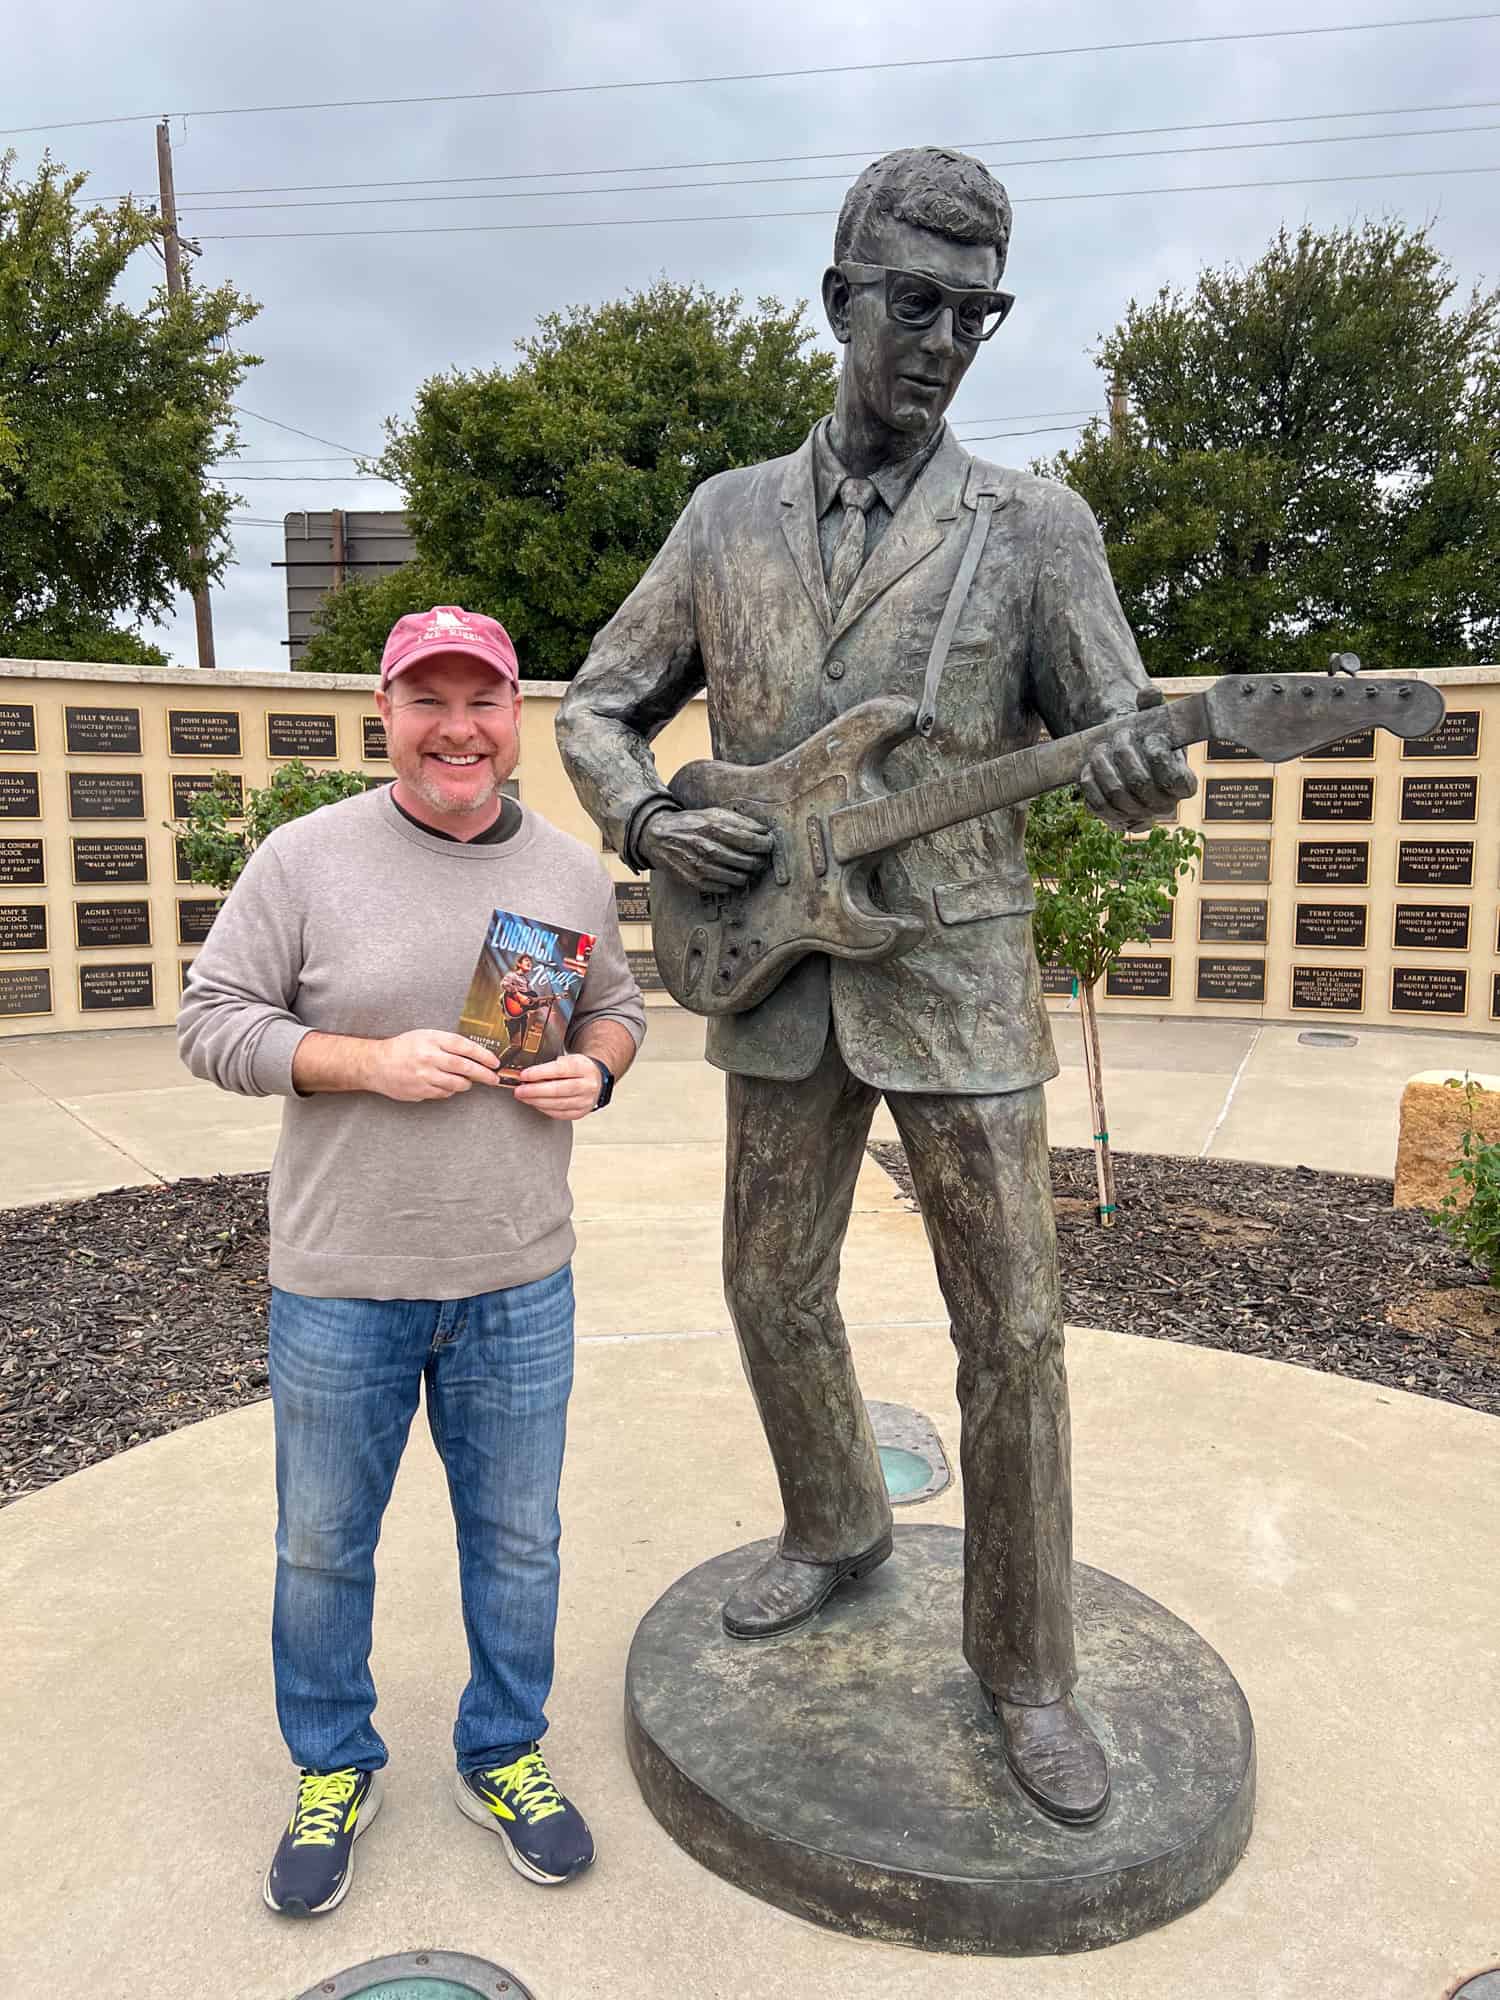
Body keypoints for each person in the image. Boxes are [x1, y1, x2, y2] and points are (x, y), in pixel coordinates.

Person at [556, 148, 1194, 1828]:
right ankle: (835, 1525)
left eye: (977, 313)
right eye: (915, 303)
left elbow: (1116, 717)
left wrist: (1144, 768)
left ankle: (1027, 1668)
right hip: (770, 963)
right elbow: (597, 707)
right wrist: (648, 817)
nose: (944, 340)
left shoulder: (1038, 526)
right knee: (771, 1284)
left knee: (1021, 1328)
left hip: (957, 972)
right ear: (839, 297)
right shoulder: (722, 518)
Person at [179, 606, 645, 1916]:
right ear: (386, 715)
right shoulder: (305, 860)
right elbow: (212, 1023)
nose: (458, 728)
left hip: (518, 1277)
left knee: (518, 1545)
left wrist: (591, 1071)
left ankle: (503, 1752)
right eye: (427, 700)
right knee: (325, 1548)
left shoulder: (561, 871)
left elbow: (616, 1006)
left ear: (515, 719)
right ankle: (333, 1765)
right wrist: (358, 1063)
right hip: (342, 1283)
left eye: (481, 701)